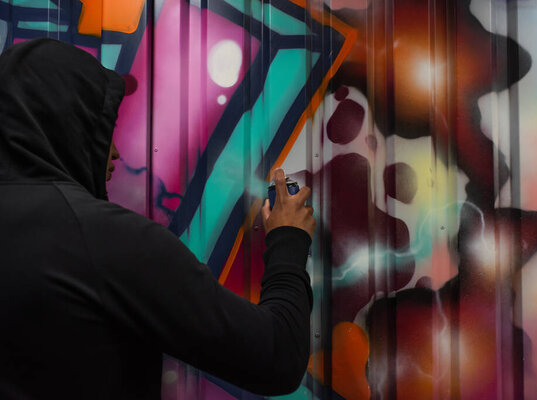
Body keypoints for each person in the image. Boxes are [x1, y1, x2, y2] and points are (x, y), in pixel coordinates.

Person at [0, 38, 315, 399]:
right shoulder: (104, 241)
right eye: (101, 129)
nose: (115, 152)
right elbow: (277, 356)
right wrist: (288, 240)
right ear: (65, 123)